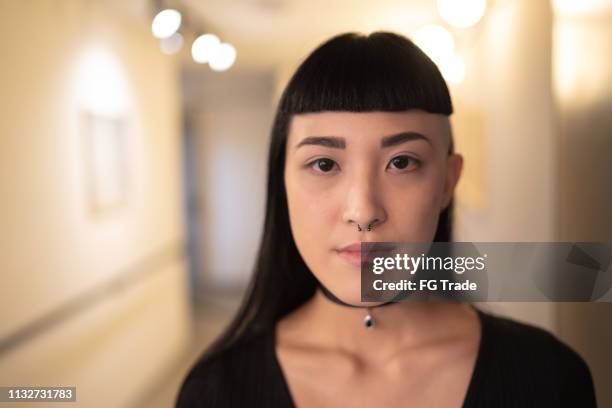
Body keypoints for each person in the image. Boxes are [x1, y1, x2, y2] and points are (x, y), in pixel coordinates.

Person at [176, 31, 596, 407]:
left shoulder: (548, 378)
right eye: (323, 164)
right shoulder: (218, 391)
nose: (363, 211)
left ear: (448, 182)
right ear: (280, 182)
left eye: (402, 162)